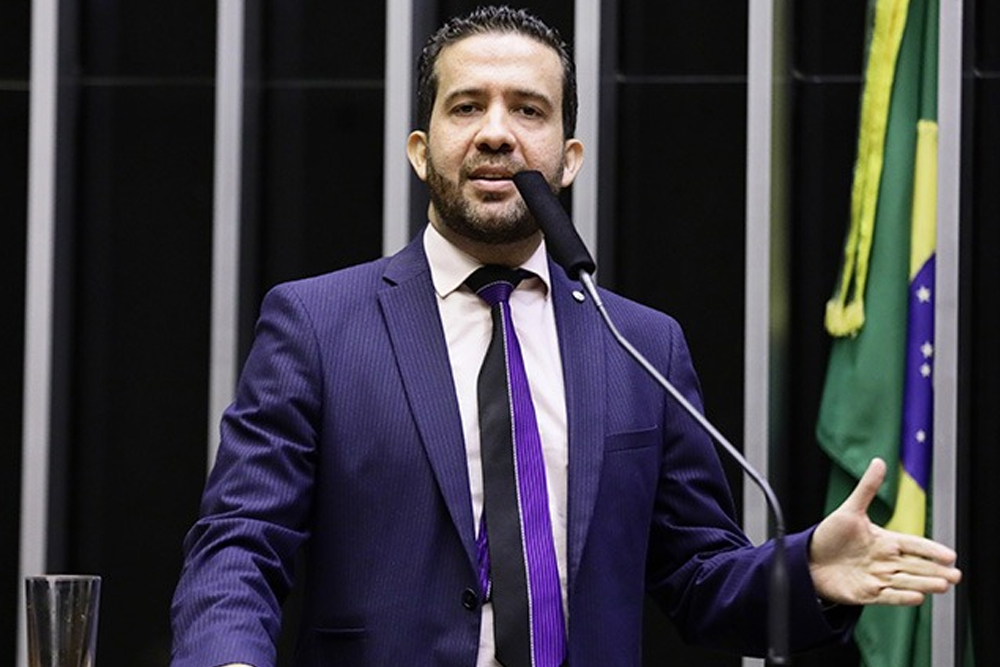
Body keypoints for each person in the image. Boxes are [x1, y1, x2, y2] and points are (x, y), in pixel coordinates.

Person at [170, 6, 961, 667]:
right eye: (466, 107)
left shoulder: (641, 344)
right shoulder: (317, 324)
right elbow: (241, 540)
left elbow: (699, 578)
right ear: (420, 150)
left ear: (569, 158)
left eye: (528, 110)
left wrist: (807, 571)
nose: (496, 133)